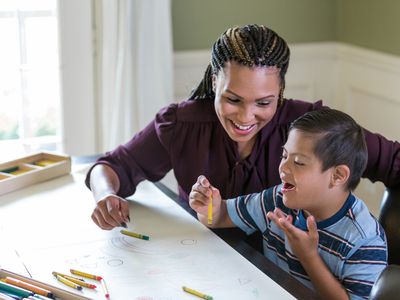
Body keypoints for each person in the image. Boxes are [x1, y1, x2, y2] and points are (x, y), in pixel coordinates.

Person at [85, 24, 400, 230]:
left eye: (264, 102)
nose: (246, 117)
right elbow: (113, 166)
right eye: (233, 99)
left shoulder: (315, 129)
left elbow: (393, 160)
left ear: (281, 91)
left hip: (292, 274)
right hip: (203, 261)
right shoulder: (181, 124)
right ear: (214, 83)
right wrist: (105, 195)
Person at [189, 109, 387, 300]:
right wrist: (209, 207)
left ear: (337, 175)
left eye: (299, 162)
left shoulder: (365, 240)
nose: (283, 167)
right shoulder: (276, 200)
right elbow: (221, 216)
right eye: (284, 156)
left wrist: (308, 256)